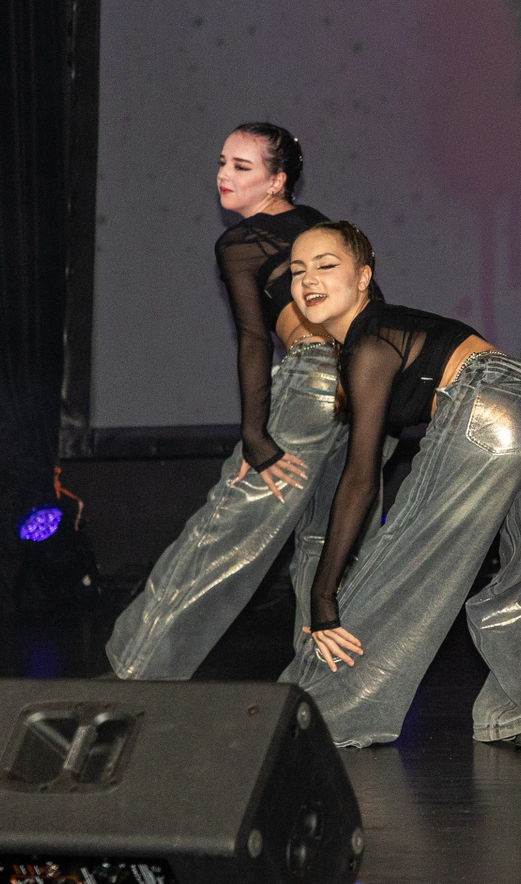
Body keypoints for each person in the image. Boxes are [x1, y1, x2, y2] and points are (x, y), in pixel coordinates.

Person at [280, 221, 521, 749]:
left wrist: (322, 595)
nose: (309, 279)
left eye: (326, 265)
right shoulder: (392, 333)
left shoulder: (370, 340)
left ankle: (311, 716)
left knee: (403, 557)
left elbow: (361, 477)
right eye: (297, 271)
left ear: (364, 277)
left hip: (490, 409)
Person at [109, 124, 363, 678]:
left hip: (316, 382)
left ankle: (135, 674)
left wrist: (255, 435)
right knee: (330, 545)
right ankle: (324, 687)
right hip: (366, 384)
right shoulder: (318, 225)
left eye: (241, 167)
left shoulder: (241, 242)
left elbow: (253, 337)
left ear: (277, 181)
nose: (223, 175)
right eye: (222, 162)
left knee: (223, 532)